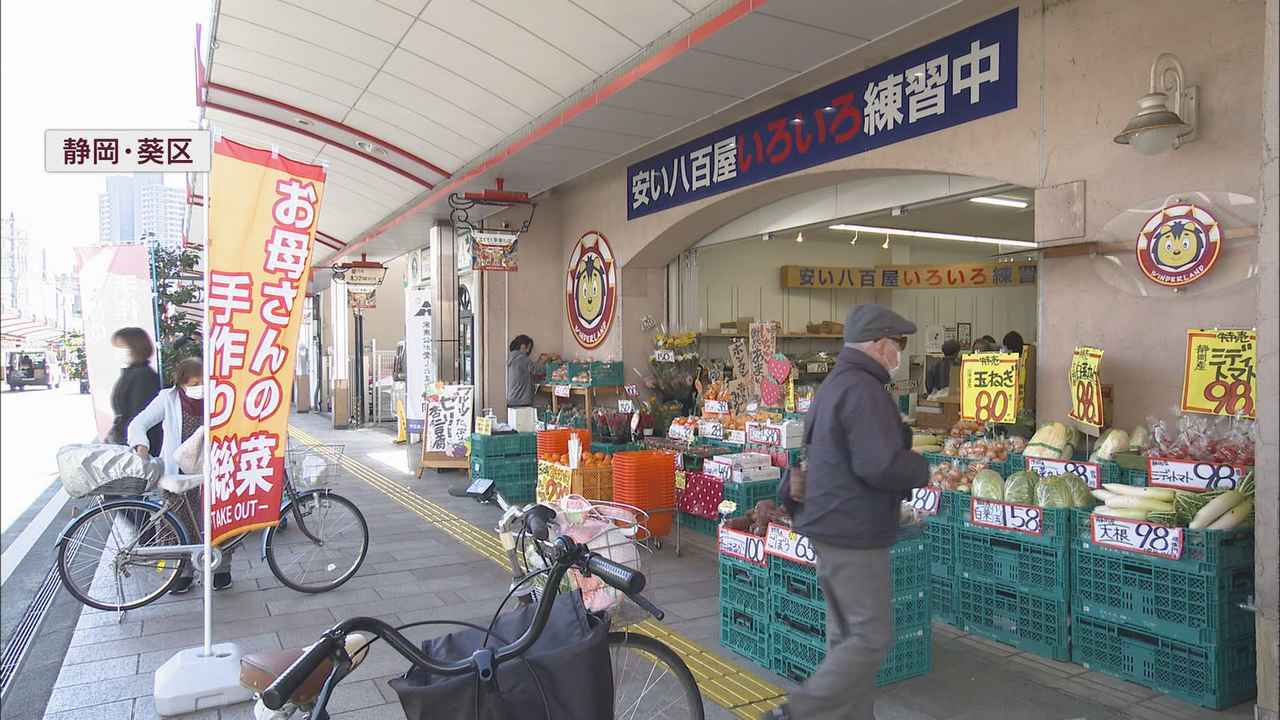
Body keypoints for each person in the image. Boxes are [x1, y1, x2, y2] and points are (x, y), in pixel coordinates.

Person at [767, 305, 929, 720]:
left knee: (846, 639)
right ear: (879, 345)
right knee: (870, 637)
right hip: (853, 530)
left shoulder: (837, 384)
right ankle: (797, 711)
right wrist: (921, 467)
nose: (899, 355)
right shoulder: (864, 390)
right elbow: (879, 464)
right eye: (898, 345)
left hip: (828, 525)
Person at [127, 357, 231, 593]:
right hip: (178, 474)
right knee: (178, 524)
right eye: (194, 382)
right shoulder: (168, 398)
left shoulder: (219, 396)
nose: (200, 387)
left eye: (204, 381)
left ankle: (222, 569)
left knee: (219, 521)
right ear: (181, 383)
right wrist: (141, 445)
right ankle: (182, 572)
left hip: (213, 471)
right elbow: (138, 423)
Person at [107, 327, 161, 451]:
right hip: (126, 441)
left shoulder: (143, 376)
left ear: (135, 348)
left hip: (136, 446)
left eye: (121, 347)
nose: (117, 352)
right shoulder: (131, 373)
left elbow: (139, 415)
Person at [506, 334, 536, 409]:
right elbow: (537, 370)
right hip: (522, 401)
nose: (529, 351)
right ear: (523, 346)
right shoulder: (522, 359)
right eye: (528, 348)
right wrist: (548, 362)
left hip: (512, 400)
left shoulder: (512, 358)